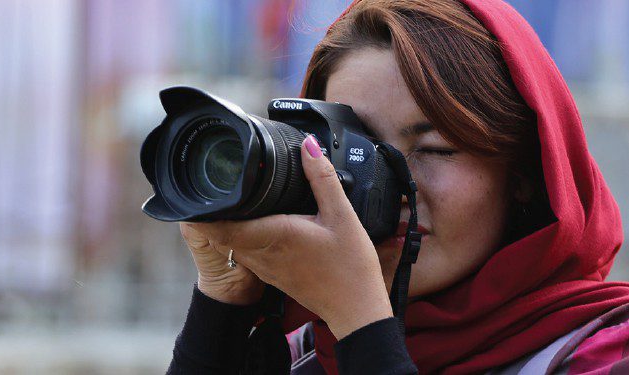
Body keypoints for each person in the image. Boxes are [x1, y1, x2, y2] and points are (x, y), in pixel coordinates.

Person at [165, 0, 629, 373]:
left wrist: (362, 324)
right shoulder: (300, 351)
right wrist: (222, 307)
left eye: (434, 148)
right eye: (356, 147)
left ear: (525, 172)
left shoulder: (599, 353)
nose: (389, 184)